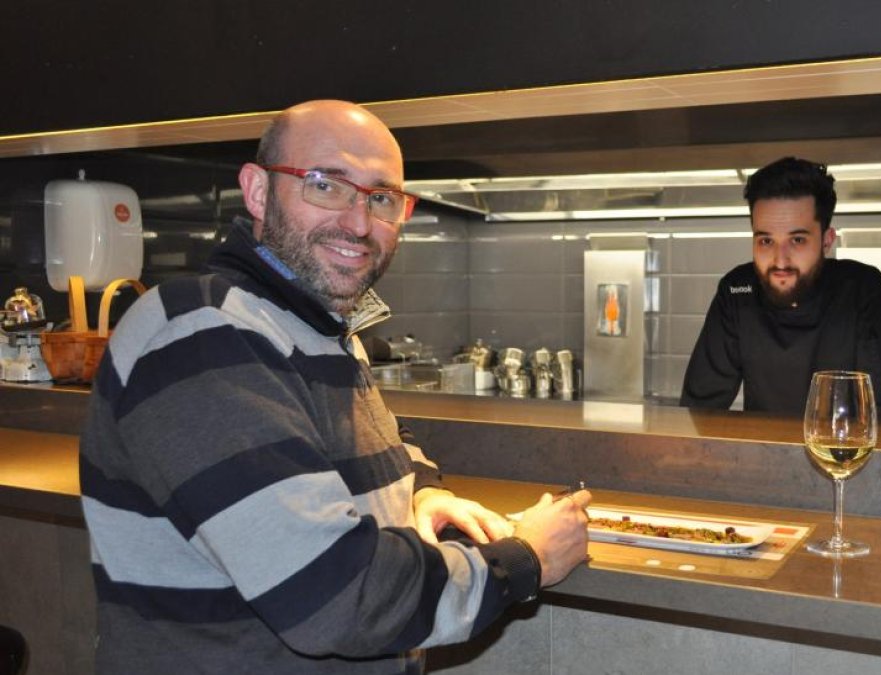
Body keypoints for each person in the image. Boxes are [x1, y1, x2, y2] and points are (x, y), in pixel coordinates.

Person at [79, 100, 592, 674]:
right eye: (326, 185)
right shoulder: (199, 333)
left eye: (382, 198)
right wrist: (525, 559)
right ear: (257, 192)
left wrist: (424, 494)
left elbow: (361, 443)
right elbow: (335, 597)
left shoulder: (313, 325)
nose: (359, 223)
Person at [680, 157, 881, 421]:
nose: (780, 261)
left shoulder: (865, 292)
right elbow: (697, 412)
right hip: (761, 447)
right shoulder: (737, 292)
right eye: (766, 241)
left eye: (797, 240)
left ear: (826, 240)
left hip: (843, 449)